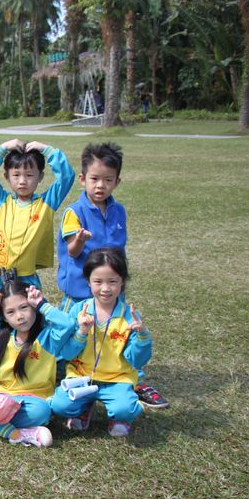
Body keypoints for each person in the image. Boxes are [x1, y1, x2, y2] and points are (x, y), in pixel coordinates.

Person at [56, 142, 167, 408]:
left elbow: (119, 251)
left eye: (108, 180)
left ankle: (133, 381)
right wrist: (80, 240)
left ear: (117, 181)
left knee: (120, 335)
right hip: (79, 291)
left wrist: (119, 283)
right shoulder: (74, 212)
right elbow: (72, 251)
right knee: (69, 333)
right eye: (94, 179)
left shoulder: (118, 212)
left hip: (112, 291)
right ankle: (62, 378)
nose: (100, 186)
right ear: (82, 179)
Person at [0, 276, 76, 448]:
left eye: (24, 307)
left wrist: (42, 304)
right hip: (0, 396)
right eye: (11, 312)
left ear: (33, 308)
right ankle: (16, 433)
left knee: (41, 412)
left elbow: (67, 324)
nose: (20, 316)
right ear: (4, 317)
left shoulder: (47, 338)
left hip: (31, 401)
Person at [50, 248, 150, 437]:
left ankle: (122, 414)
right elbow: (67, 353)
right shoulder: (78, 311)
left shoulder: (130, 317)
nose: (105, 288)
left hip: (117, 379)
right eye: (98, 281)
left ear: (122, 282)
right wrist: (81, 332)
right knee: (59, 405)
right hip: (81, 377)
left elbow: (137, 360)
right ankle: (84, 407)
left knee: (124, 409)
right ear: (88, 281)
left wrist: (142, 336)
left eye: (112, 281)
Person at [0, 138, 75, 298]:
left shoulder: (46, 204)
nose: (22, 181)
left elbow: (67, 176)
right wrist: (3, 148)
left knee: (30, 312)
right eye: (16, 175)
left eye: (29, 175)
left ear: (40, 176)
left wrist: (47, 150)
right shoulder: (0, 202)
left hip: (26, 277)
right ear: (6, 176)